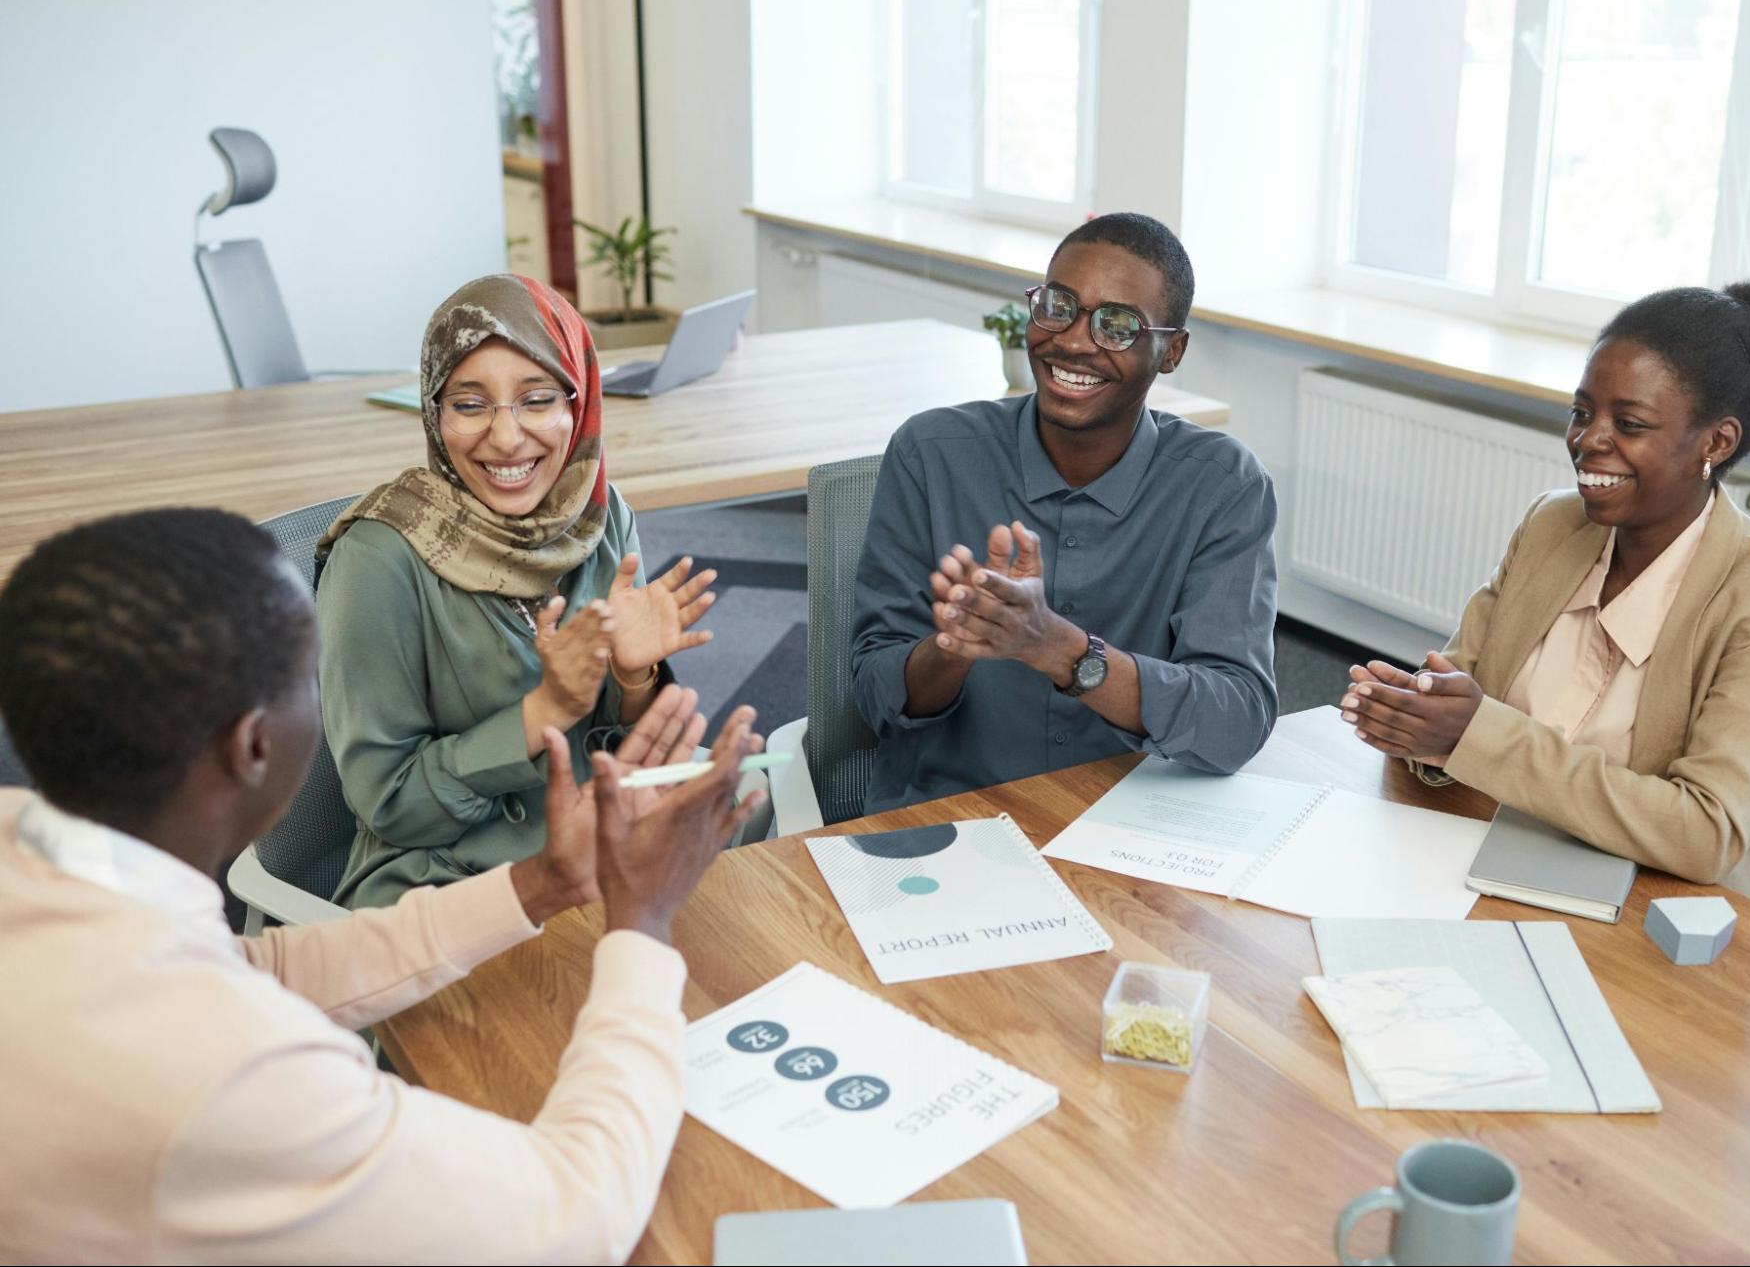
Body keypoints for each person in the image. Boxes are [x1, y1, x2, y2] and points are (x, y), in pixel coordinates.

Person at [0, 507, 764, 1264]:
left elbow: (240, 969)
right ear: (254, 743)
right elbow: (575, 1213)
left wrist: (542, 882)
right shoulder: (240, 1080)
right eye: (313, 676)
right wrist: (642, 922)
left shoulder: (31, 845)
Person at [1343, 283, 1750, 903]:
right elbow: (1461, 683)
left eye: (1628, 423)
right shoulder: (1551, 524)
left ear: (1716, 442)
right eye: (1582, 412)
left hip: (1662, 907)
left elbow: (1707, 833)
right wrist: (1414, 719)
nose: (1588, 441)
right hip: (1489, 854)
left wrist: (1476, 735)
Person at [317, 273, 723, 908]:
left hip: (602, 841)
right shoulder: (378, 558)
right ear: (433, 412)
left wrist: (634, 679)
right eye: (470, 404)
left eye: (537, 400)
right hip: (447, 883)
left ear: (578, 403)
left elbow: (623, 750)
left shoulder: (598, 513)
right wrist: (546, 710)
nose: (506, 438)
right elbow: (389, 803)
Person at [851, 212, 1279, 812]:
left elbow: (1234, 724)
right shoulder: (931, 453)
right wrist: (951, 646)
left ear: (1172, 351)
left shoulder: (1223, 486)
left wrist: (1062, 651)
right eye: (1058, 305)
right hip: (952, 817)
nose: (1074, 340)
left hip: (1133, 826)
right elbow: (873, 700)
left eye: (1118, 325)